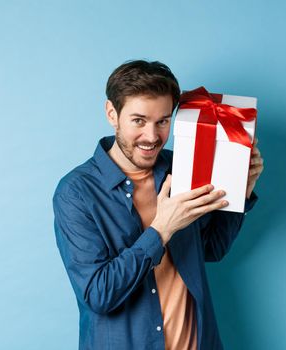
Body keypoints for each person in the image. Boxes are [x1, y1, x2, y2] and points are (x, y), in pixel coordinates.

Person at [53, 60, 264, 350]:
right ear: (112, 114)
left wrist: (243, 191)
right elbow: (98, 294)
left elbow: (212, 249)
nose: (152, 137)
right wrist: (161, 230)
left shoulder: (182, 167)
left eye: (163, 121)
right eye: (138, 121)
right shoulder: (76, 193)